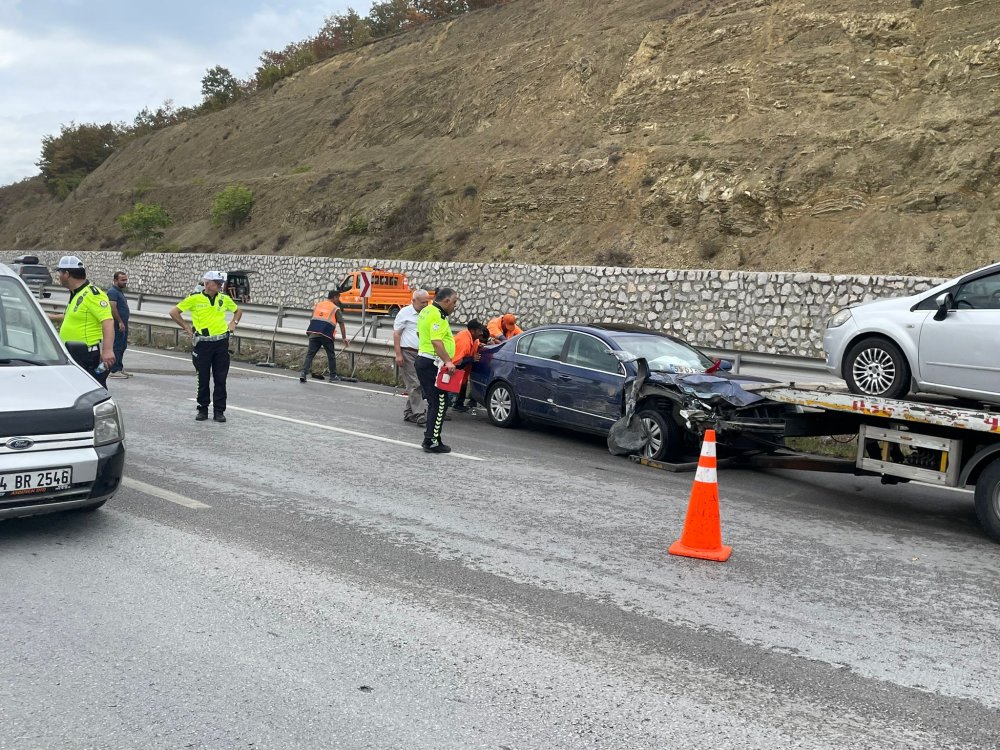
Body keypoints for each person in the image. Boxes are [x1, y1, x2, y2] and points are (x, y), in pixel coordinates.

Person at [169, 271, 242, 423]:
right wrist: (187, 328)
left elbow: (238, 311)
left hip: (221, 342)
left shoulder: (224, 298)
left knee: (220, 378)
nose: (221, 286)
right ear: (207, 284)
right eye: (217, 283)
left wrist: (233, 323)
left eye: (221, 283)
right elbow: (174, 312)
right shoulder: (194, 299)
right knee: (202, 377)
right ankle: (202, 408)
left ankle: (219, 411)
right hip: (203, 343)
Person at [48, 255, 115, 387]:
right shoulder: (77, 293)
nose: (59, 276)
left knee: (89, 392)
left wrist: (107, 350)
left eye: (60, 272)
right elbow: (71, 317)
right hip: (73, 354)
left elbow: (107, 321)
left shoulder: (92, 294)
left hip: (86, 356)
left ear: (67, 274)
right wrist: (48, 317)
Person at [415, 287, 459, 453]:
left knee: (436, 401)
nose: (454, 306)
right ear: (446, 301)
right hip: (432, 363)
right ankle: (432, 441)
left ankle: (432, 438)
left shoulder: (426, 311)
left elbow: (420, 334)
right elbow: (436, 341)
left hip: (424, 359)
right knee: (440, 402)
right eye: (454, 302)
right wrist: (447, 361)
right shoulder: (438, 315)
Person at [393, 289, 430, 425]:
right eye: (422, 302)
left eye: (427, 302)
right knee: (415, 383)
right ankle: (420, 414)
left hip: (422, 353)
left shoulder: (427, 313)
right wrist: (398, 354)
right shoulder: (404, 313)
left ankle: (409, 413)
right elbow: (396, 334)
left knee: (418, 383)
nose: (425, 305)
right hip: (407, 352)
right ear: (413, 301)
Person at [300, 290, 349, 383]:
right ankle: (333, 376)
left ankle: (303, 373)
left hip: (314, 332)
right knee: (331, 355)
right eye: (338, 298)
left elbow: (312, 318)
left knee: (310, 354)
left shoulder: (318, 305)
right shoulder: (335, 308)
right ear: (334, 297)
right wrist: (344, 338)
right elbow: (341, 324)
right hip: (326, 334)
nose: (339, 300)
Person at [450, 320, 487, 412]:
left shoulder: (473, 339)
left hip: (464, 370)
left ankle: (458, 404)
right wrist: (472, 359)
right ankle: (441, 411)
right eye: (479, 331)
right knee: (449, 390)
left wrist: (480, 346)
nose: (481, 333)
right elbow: (456, 362)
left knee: (463, 383)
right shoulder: (464, 341)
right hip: (453, 370)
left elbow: (476, 344)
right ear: (472, 331)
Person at [106, 271, 132, 379]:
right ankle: (114, 369)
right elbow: (112, 308)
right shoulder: (112, 292)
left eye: (126, 280)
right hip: (117, 324)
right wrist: (120, 321)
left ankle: (119, 367)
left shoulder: (119, 291)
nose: (125, 282)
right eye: (122, 280)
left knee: (122, 346)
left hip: (123, 323)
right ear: (115, 280)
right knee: (117, 346)